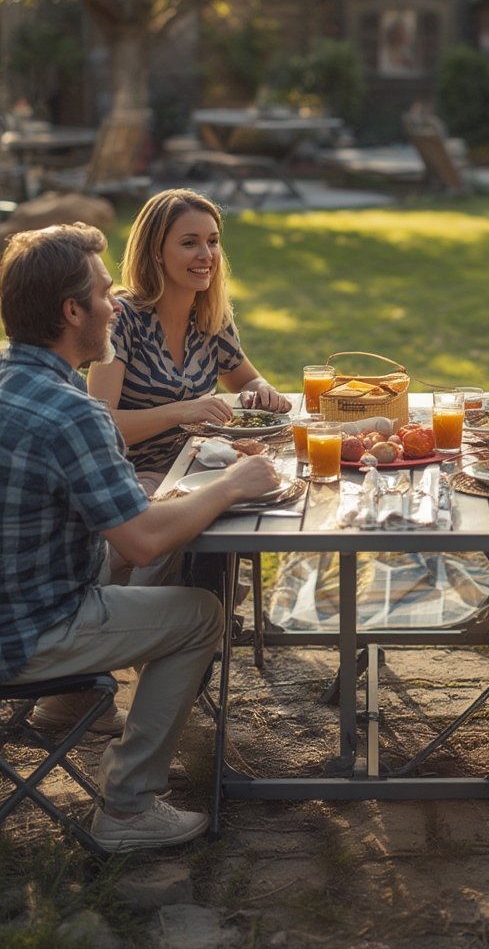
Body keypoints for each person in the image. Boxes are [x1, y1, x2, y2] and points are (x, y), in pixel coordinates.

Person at [0, 223, 280, 852]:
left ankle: (72, 704)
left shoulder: (14, 381)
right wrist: (233, 484)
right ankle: (127, 809)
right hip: (28, 628)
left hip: (19, 598)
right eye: (104, 295)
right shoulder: (73, 412)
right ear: (72, 312)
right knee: (200, 616)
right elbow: (143, 543)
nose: (114, 305)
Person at [87, 188, 291, 492]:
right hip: (137, 478)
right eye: (189, 243)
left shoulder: (210, 317)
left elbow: (247, 381)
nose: (206, 255)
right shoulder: (122, 319)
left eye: (212, 241)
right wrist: (184, 411)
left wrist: (261, 391)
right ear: (156, 251)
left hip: (204, 465)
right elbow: (99, 426)